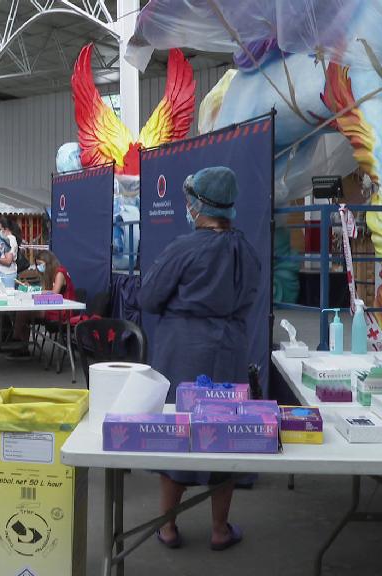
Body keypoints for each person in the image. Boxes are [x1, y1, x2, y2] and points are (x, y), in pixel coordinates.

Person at [139, 166, 261, 551]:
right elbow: (248, 298)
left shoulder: (183, 248)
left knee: (177, 432)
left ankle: (169, 527)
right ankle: (219, 529)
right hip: (229, 350)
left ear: (196, 205)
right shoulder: (246, 250)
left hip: (183, 350)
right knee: (222, 436)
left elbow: (148, 298)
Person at [8, 251, 77, 358]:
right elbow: (47, 290)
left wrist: (37, 292)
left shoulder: (59, 273)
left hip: (61, 311)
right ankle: (21, 346)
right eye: (38, 264)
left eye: (40, 264)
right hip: (53, 306)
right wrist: (34, 290)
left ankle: (16, 340)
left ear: (48, 262)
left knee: (23, 313)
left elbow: (54, 293)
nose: (39, 267)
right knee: (24, 314)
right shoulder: (53, 274)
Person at [0, 217, 22, 289]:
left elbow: (8, 261)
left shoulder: (10, 239)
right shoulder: (4, 239)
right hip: (2, 273)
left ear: (5, 229)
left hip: (7, 274)